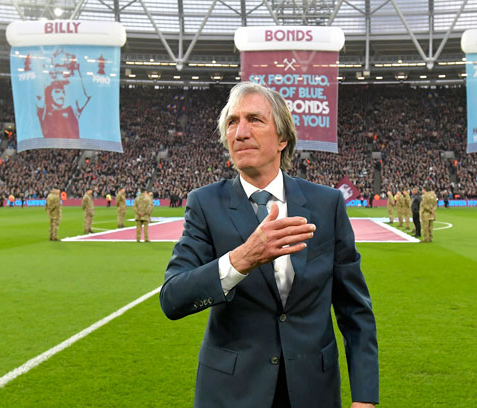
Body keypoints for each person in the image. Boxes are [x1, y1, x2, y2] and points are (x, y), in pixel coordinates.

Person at [159, 82, 378, 408]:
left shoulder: (326, 204)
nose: (240, 132)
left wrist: (365, 398)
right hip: (231, 393)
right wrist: (240, 259)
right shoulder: (205, 204)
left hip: (312, 391)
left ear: (282, 138)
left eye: (254, 120)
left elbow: (355, 311)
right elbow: (173, 298)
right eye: (232, 122)